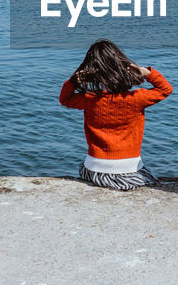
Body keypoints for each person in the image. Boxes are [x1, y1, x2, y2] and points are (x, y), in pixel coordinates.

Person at [60, 39, 171, 191]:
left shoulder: (90, 99)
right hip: (130, 169)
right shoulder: (138, 98)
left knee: (84, 169)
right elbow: (165, 89)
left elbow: (65, 99)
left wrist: (74, 81)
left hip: (95, 169)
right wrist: (146, 72)